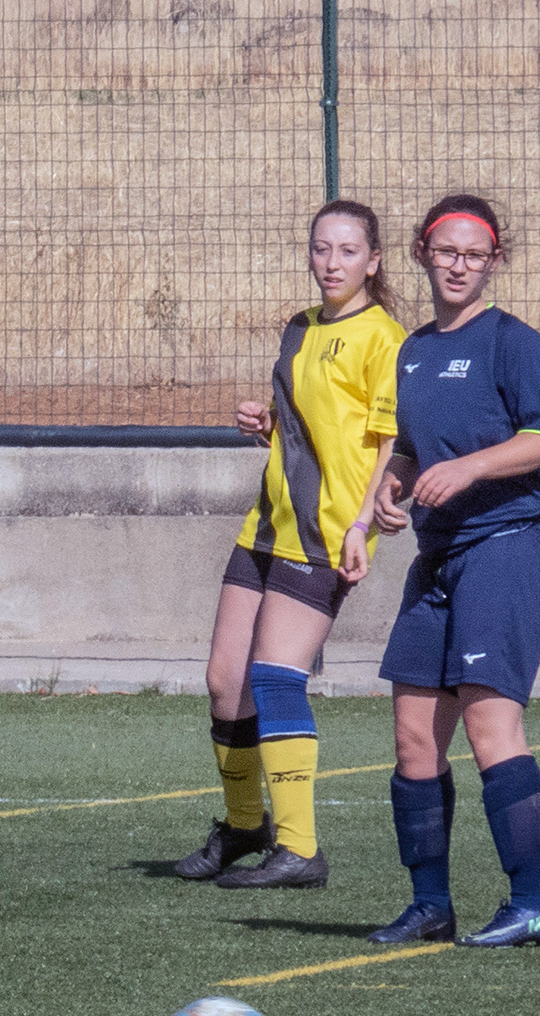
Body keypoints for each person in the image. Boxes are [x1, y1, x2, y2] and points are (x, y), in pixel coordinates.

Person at [174, 199, 406, 890]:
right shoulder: (299, 327)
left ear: (374, 261)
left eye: (347, 251)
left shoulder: (385, 338)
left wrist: (363, 525)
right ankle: (245, 826)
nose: (331, 263)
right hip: (267, 524)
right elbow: (311, 426)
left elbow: (391, 444)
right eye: (320, 248)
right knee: (226, 682)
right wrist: (266, 424)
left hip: (327, 532)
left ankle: (300, 849)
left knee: (276, 678)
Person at [367, 194, 540, 946]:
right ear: (422, 254)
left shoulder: (514, 343)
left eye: (475, 254)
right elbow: (411, 446)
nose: (460, 266)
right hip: (435, 556)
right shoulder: (413, 350)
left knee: (491, 725)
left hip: (505, 544)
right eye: (447, 252)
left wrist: (469, 468)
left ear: (494, 261)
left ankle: (532, 901)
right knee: (413, 736)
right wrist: (392, 485)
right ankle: (430, 906)